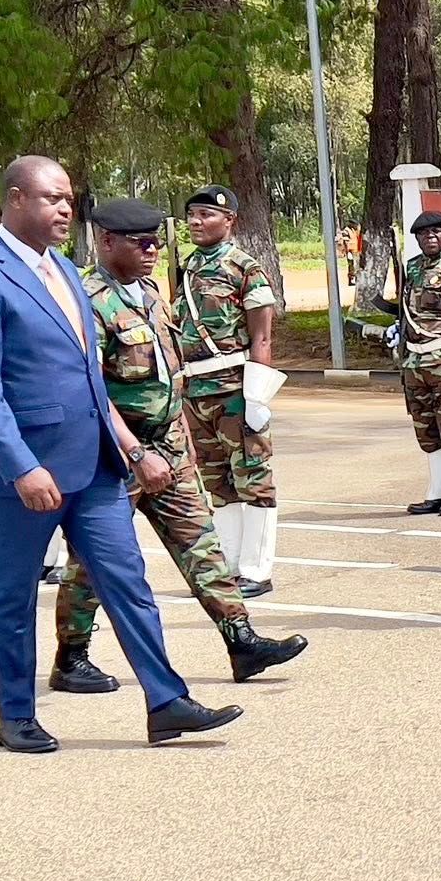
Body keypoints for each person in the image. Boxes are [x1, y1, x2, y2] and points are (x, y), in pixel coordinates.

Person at [0, 155, 240, 753]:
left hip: (96, 463)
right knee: (14, 593)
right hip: (29, 471)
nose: (65, 209)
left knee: (128, 580)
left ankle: (165, 701)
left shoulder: (68, 273)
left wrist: (125, 446)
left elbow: (90, 378)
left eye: (69, 199)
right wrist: (21, 466)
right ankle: (16, 715)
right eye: (52, 198)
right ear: (16, 199)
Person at [49, 198, 308, 692]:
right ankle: (71, 656)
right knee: (91, 562)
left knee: (202, 547)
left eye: (155, 241)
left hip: (168, 446)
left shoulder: (148, 292)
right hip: (115, 455)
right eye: (139, 242)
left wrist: (178, 436)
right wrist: (134, 454)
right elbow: (88, 391)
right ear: (106, 242)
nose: (152, 250)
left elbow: (169, 369)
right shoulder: (84, 300)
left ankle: (241, 641)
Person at [173, 184, 285, 598]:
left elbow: (263, 338)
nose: (197, 223)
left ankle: (257, 569)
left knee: (252, 478)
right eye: (192, 216)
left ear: (229, 220)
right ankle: (232, 564)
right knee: (218, 480)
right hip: (197, 387)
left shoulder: (245, 268)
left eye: (206, 215)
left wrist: (257, 397)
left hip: (235, 386)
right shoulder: (187, 267)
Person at [365, 210, 441, 517]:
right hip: (414, 358)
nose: (430, 237)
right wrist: (398, 331)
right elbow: (405, 310)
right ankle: (438, 491)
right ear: (416, 238)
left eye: (436, 232)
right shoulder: (411, 268)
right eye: (423, 234)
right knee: (427, 427)